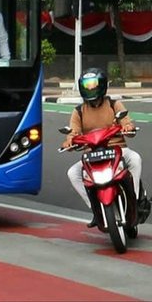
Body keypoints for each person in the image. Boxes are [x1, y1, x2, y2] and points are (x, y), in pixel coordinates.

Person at [61, 67, 142, 227]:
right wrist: (69, 141)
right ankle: (96, 209)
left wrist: (127, 127)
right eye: (86, 85)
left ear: (102, 85)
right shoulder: (79, 111)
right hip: (92, 154)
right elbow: (73, 132)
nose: (90, 88)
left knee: (135, 159)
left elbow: (126, 121)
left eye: (93, 84)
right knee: (73, 173)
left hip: (117, 149)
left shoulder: (114, 104)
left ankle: (135, 199)